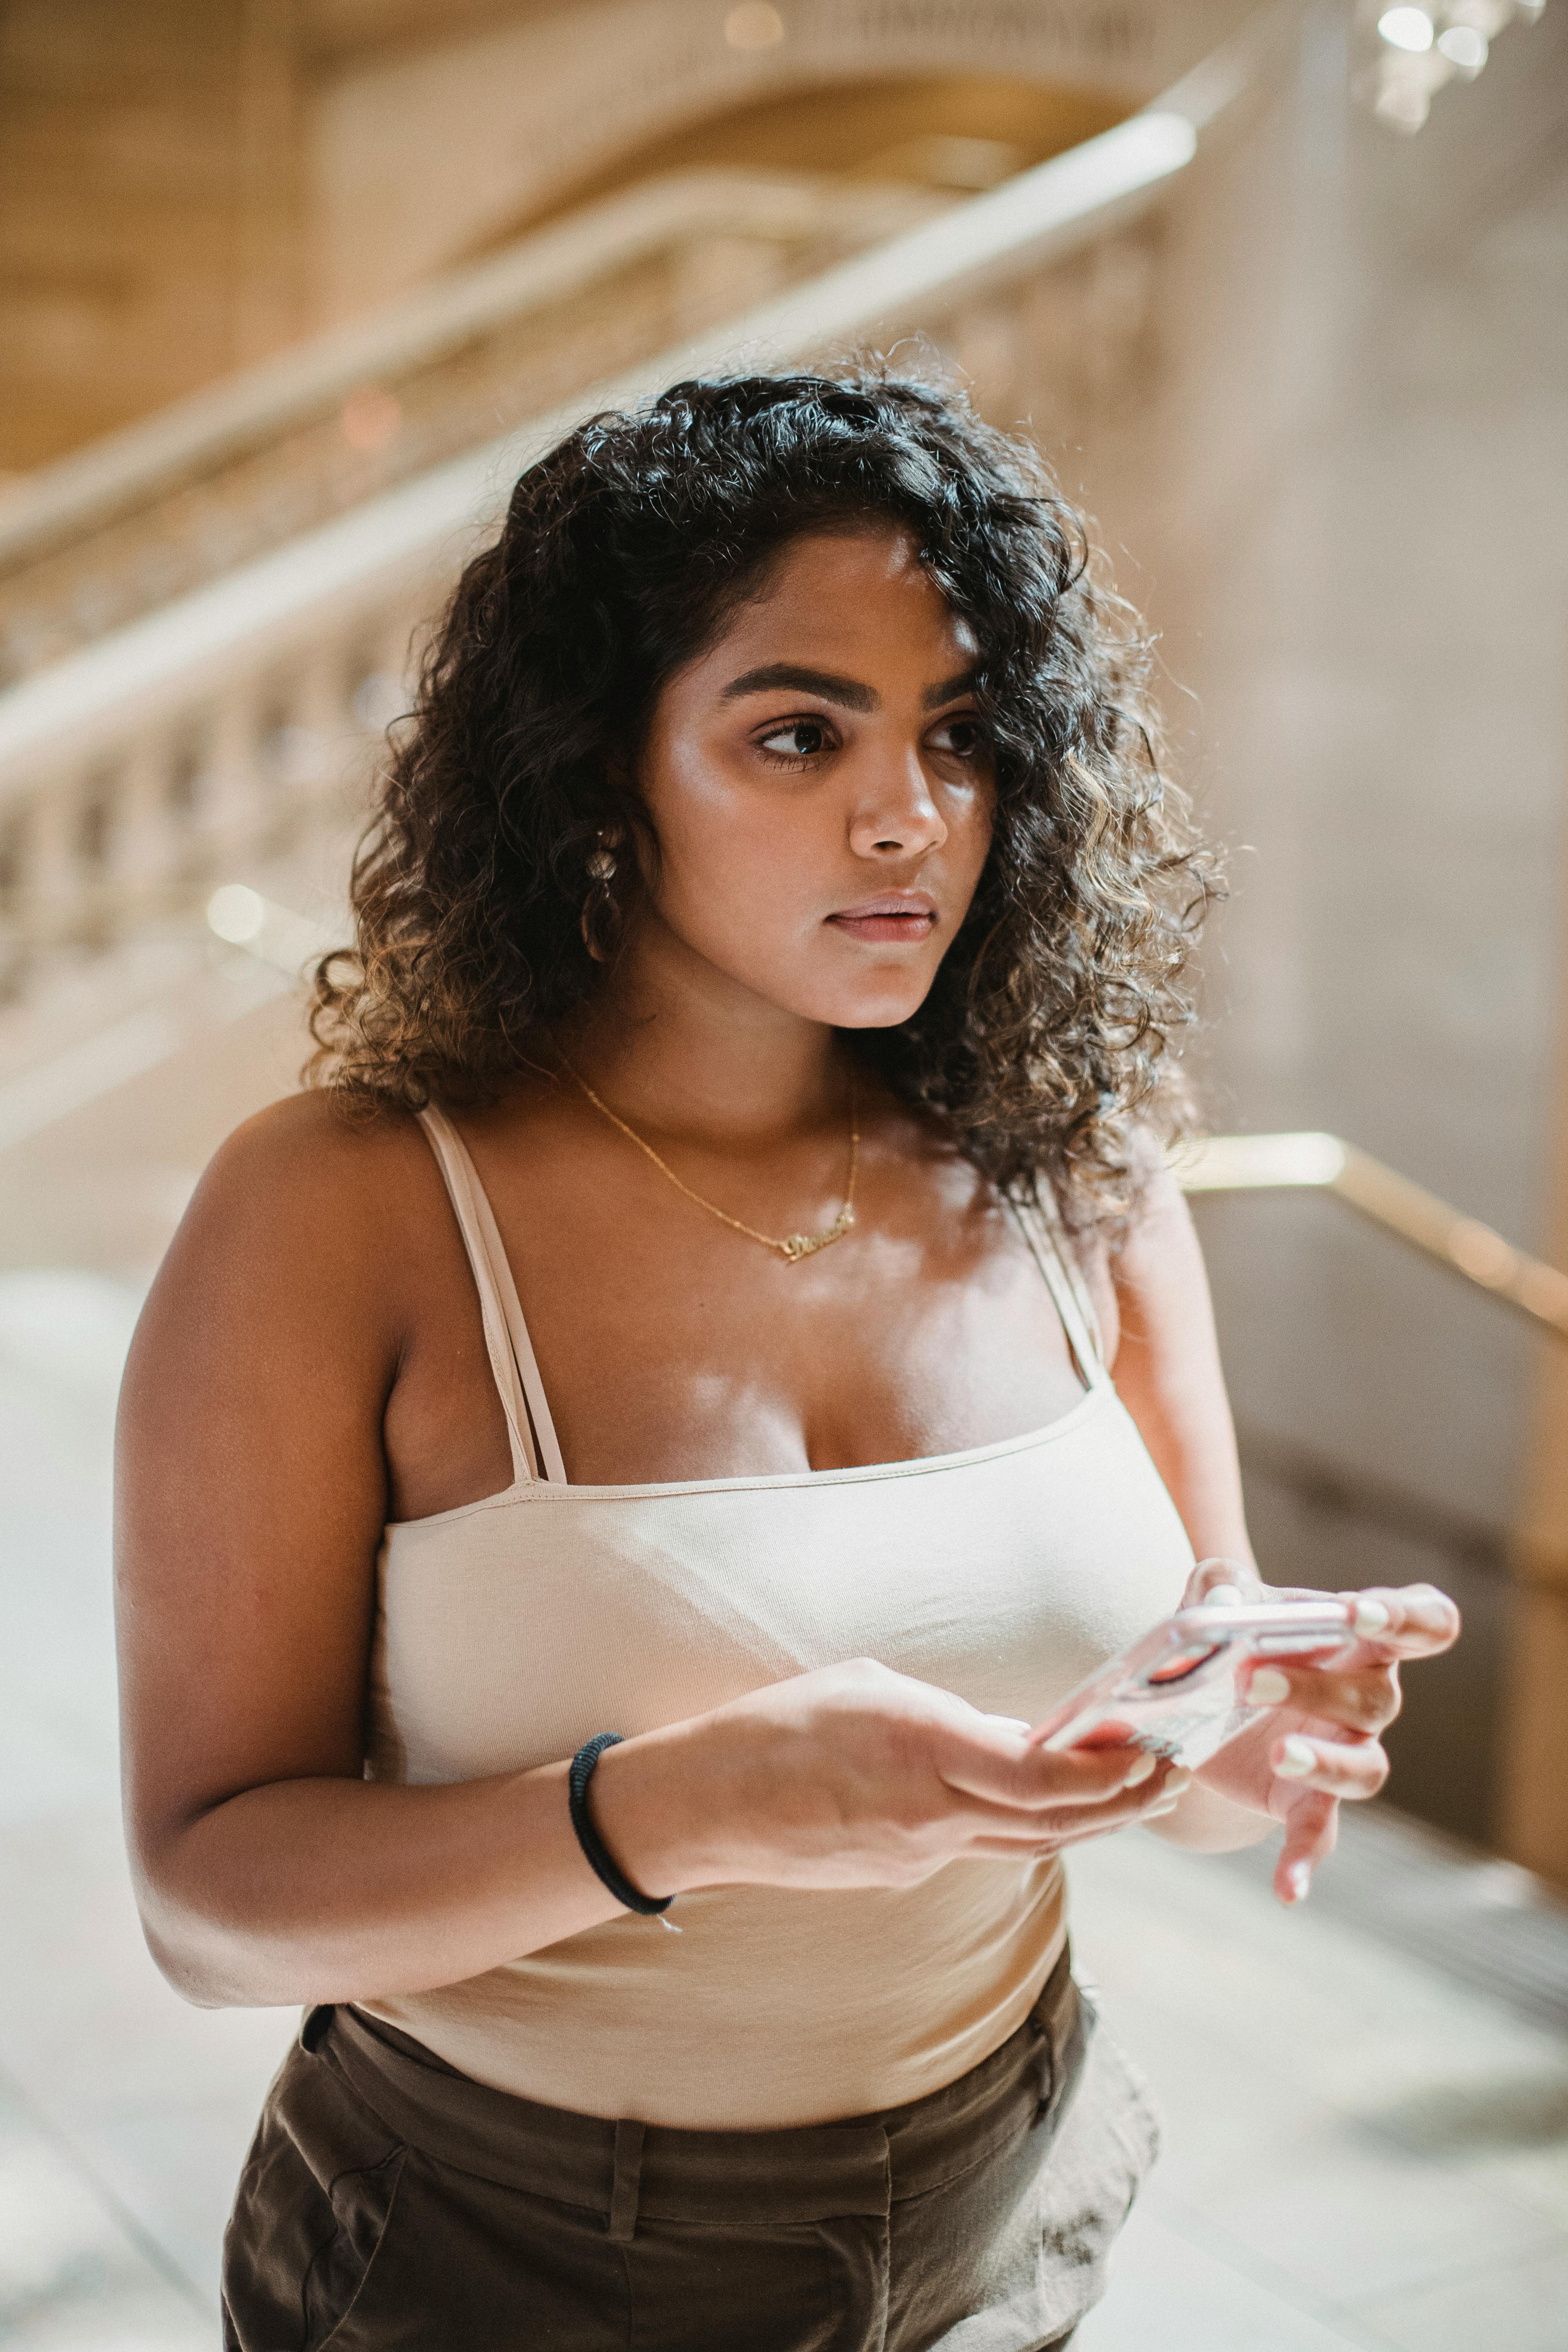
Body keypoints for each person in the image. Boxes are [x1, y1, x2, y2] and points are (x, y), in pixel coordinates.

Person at [115, 373, 1458, 2351]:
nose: (909, 812)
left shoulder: (1081, 1171)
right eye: (795, 732)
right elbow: (208, 1906)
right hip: (505, 2257)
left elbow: (1163, 1761)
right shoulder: (349, 1212)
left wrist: (1246, 1740)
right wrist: (682, 1808)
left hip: (1005, 2189)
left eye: (964, 733)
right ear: (601, 772)